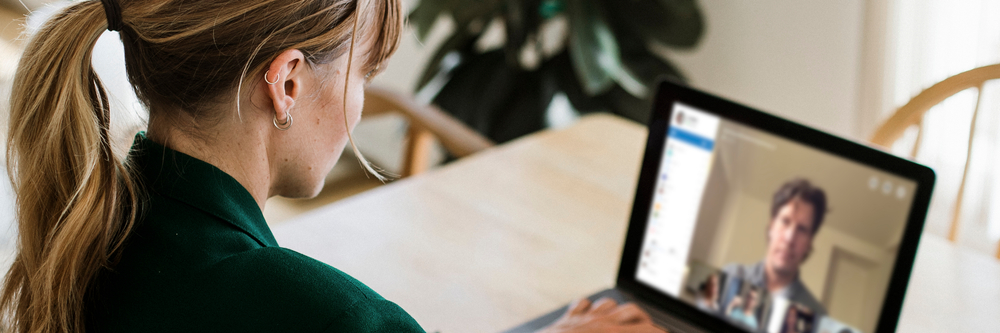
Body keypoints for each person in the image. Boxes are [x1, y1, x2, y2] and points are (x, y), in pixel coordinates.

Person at [0, 0, 665, 332]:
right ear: (286, 83)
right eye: (362, 72)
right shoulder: (332, 314)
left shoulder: (95, 225)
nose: (357, 102)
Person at [721, 179, 828, 318]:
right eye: (785, 221)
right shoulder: (730, 276)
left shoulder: (817, 315)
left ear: (809, 242)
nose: (790, 238)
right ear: (771, 225)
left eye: (801, 229)